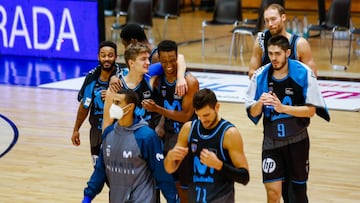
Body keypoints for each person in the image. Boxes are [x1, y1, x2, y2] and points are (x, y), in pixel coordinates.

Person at [244, 35, 330, 203]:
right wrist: (260, 103)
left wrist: (282, 108)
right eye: (270, 54)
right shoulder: (261, 75)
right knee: (273, 193)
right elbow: (252, 113)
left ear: (288, 53)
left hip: (297, 140)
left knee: (296, 194)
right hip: (271, 141)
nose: (273, 58)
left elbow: (311, 111)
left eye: (278, 53)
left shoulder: (303, 72)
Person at [102, 42, 179, 202]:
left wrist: (160, 125)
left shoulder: (151, 79)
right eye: (143, 59)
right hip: (124, 149)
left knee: (151, 192)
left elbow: (180, 59)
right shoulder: (116, 88)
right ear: (131, 63)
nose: (148, 62)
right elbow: (107, 124)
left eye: (148, 59)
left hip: (147, 147)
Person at [81, 89, 178, 203]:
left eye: (117, 103)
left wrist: (173, 200)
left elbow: (161, 173)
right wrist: (88, 196)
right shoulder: (109, 133)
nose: (113, 106)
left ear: (130, 107)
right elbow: (101, 169)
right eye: (113, 102)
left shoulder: (146, 136)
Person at [164, 88, 250, 203]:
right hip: (195, 198)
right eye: (199, 116)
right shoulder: (188, 129)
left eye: (206, 115)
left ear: (217, 107)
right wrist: (170, 157)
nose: (203, 120)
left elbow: (244, 177)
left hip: (220, 199)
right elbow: (169, 169)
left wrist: (219, 165)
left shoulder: (229, 134)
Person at [141, 40, 200, 202]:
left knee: (188, 188)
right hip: (168, 139)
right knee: (173, 185)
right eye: (164, 61)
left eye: (172, 60)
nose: (169, 65)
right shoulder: (157, 79)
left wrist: (158, 110)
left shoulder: (190, 82)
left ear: (177, 58)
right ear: (159, 59)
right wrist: (160, 123)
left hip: (187, 139)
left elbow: (186, 116)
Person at [71, 40, 127, 165]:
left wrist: (113, 97)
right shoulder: (91, 77)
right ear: (98, 56)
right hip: (96, 132)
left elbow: (133, 101)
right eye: (103, 55)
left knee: (116, 170)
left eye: (110, 55)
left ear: (116, 57)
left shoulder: (123, 75)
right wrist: (76, 129)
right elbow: (85, 106)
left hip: (118, 130)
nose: (106, 59)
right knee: (98, 169)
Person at [110, 23, 188, 97]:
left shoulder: (156, 56)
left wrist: (180, 78)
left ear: (133, 41)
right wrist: (114, 77)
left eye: (125, 45)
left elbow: (180, 57)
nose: (125, 49)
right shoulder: (147, 56)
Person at [248, 3, 317, 78]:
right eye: (266, 21)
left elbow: (312, 75)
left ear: (283, 17)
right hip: (268, 88)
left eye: (273, 19)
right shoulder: (260, 40)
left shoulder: (300, 44)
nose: (270, 24)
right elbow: (252, 73)